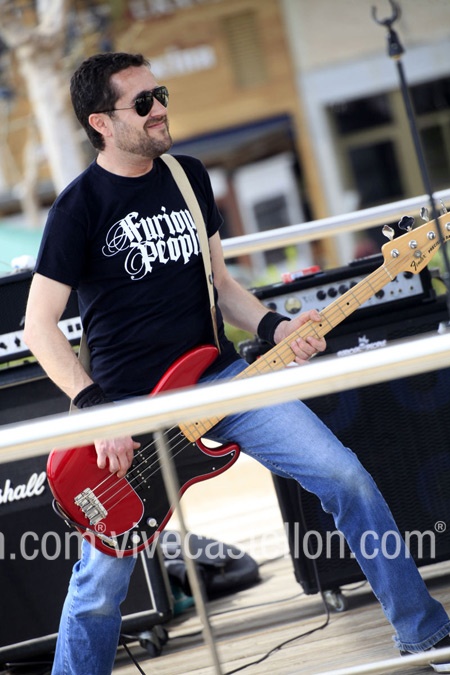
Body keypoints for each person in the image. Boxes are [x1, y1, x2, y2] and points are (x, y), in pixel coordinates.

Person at [24, 52, 450, 675]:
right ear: (101, 123)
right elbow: (38, 328)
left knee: (346, 477)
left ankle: (424, 633)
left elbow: (221, 285)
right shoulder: (77, 208)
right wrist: (97, 413)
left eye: (160, 95)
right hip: (131, 414)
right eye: (142, 103)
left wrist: (278, 327)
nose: (160, 109)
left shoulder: (189, 177)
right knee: (101, 586)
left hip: (221, 380)